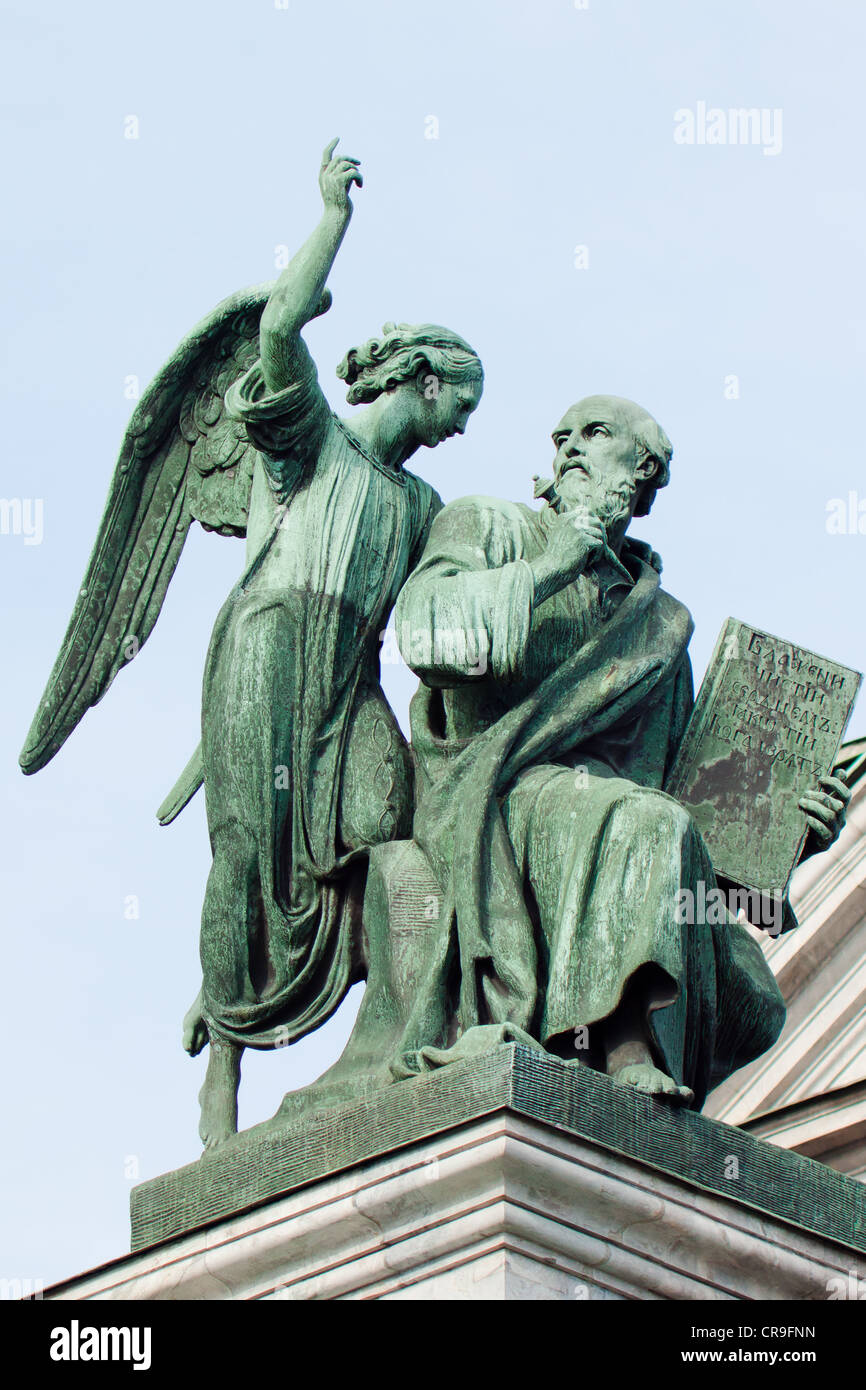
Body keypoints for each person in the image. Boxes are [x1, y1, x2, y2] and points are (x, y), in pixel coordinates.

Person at [393, 395, 848, 1107]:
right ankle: (622, 1047)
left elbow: (690, 810)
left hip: (617, 825)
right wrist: (553, 565)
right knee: (644, 821)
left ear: (643, 470)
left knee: (751, 994)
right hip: (492, 792)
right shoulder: (489, 524)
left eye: (595, 433)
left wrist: (788, 843)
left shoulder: (663, 624)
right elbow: (426, 633)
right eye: (561, 436)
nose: (569, 447)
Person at [187, 140, 484, 1145]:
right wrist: (331, 219)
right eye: (460, 406)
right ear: (426, 379)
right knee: (245, 853)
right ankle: (221, 1058)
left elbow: (444, 614)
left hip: (350, 676)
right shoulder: (313, 435)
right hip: (267, 653)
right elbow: (277, 325)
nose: (456, 429)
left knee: (387, 823)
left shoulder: (422, 501)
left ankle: (395, 1025)